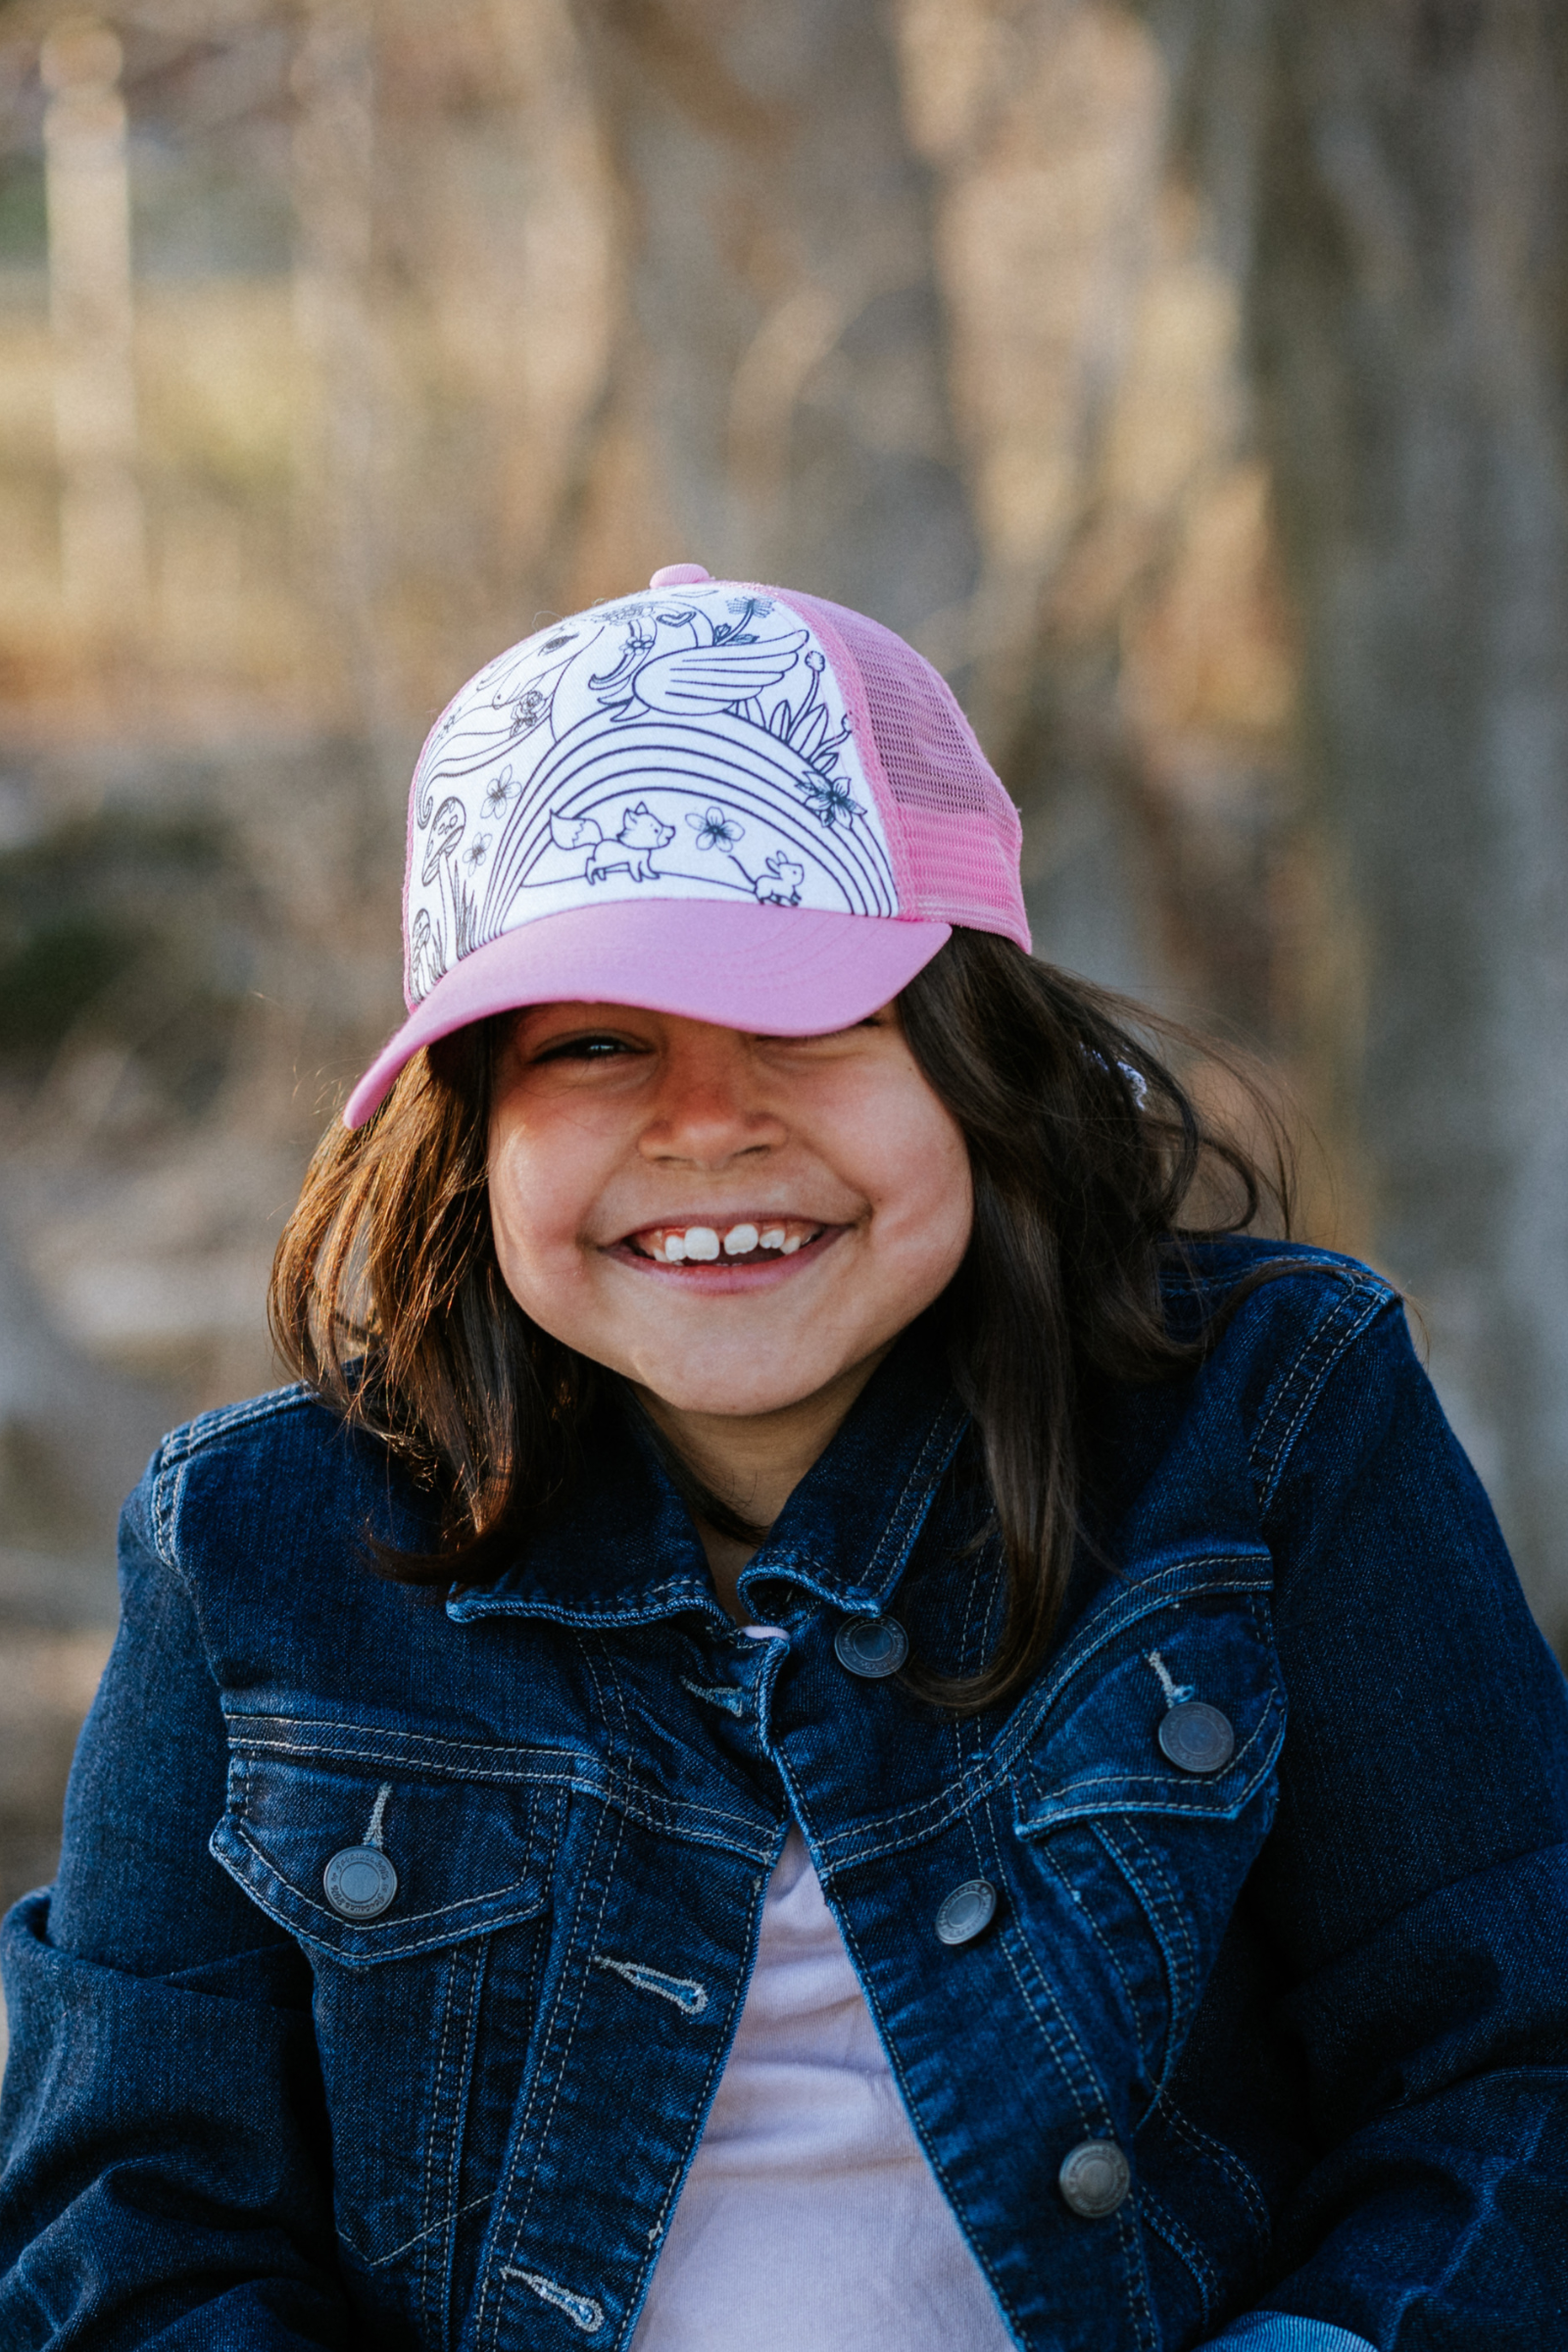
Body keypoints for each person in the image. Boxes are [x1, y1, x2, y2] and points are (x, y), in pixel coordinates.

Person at [1, 564, 1565, 2352]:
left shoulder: (1275, 1418)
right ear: (471, 1134)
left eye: (812, 1020)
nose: (707, 1122)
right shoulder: (254, 1547)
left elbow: (1509, 2058)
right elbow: (124, 2219)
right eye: (595, 1045)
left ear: (982, 1058)